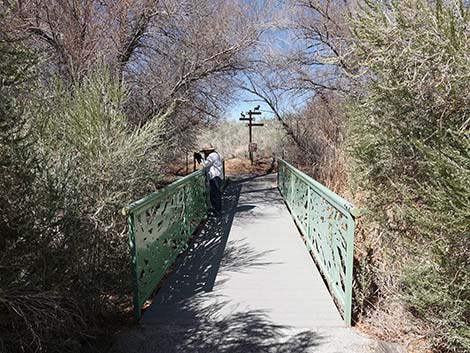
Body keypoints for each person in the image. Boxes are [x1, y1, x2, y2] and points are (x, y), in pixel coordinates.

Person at [195, 144, 223, 215]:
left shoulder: (212, 156)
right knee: (215, 194)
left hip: (215, 177)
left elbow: (205, 164)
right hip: (217, 176)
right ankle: (216, 209)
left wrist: (200, 159)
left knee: (215, 194)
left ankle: (216, 210)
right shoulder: (215, 154)